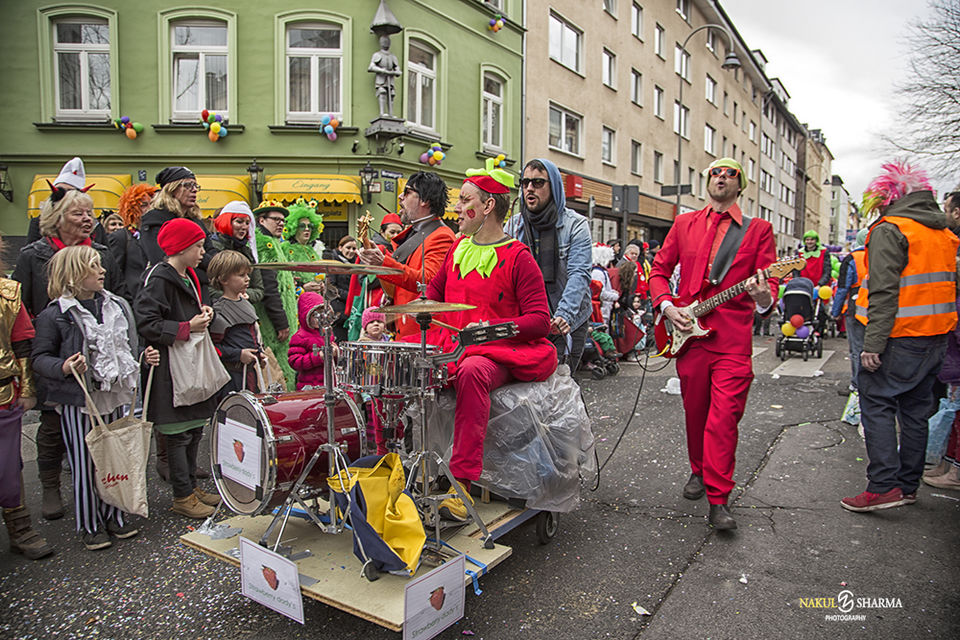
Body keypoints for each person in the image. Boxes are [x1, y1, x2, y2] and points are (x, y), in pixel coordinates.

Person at [649, 157, 778, 531]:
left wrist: (762, 297)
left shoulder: (758, 230)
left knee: (724, 420)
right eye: (715, 173)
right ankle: (698, 470)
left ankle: (719, 499)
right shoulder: (685, 223)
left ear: (741, 184)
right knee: (697, 414)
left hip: (733, 340)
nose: (721, 178)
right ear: (707, 181)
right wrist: (667, 305)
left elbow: (768, 295)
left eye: (730, 174)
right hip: (690, 336)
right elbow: (658, 270)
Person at [425, 168, 557, 521]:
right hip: (450, 344)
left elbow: (540, 320)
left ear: (488, 206)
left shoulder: (519, 257)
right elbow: (431, 297)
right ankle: (391, 467)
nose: (456, 208)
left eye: (465, 200)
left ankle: (461, 486)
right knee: (394, 363)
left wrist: (493, 329)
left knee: (471, 372)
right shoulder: (456, 248)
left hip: (493, 353)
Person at [842, 162, 959, 512]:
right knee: (914, 413)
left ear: (888, 198)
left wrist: (872, 345)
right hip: (934, 339)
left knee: (876, 406)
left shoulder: (892, 229)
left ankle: (881, 487)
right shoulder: (943, 232)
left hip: (896, 339)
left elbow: (883, 292)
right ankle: (907, 485)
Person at [32, 246, 159, 549]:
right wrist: (64, 366)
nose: (102, 271)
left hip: (115, 394)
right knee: (86, 462)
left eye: (100, 265)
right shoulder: (56, 314)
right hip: (81, 401)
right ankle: (90, 524)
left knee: (114, 457)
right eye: (93, 267)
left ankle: (115, 516)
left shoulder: (117, 305)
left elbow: (124, 346)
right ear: (74, 276)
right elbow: (39, 357)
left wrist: (142, 356)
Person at [12, 187, 124, 521]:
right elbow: (21, 302)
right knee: (51, 423)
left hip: (96, 352)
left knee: (100, 426)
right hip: (53, 346)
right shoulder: (35, 254)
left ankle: (102, 490)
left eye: (91, 213)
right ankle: (50, 486)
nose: (87, 219)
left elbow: (115, 294)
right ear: (56, 218)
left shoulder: (101, 251)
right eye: (78, 213)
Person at [135, 219, 222, 519]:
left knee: (194, 428)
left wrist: (204, 313)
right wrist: (187, 327)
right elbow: (146, 322)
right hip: (172, 368)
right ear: (180, 247)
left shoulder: (189, 277)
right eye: (197, 246)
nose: (202, 252)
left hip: (190, 365)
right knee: (177, 434)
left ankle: (189, 488)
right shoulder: (160, 279)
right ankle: (182, 495)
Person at [506, 158, 592, 372]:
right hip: (528, 320)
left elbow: (579, 274)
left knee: (561, 390)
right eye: (525, 183)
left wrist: (565, 315)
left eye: (538, 183)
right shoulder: (514, 225)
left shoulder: (576, 224)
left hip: (566, 320)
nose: (529, 189)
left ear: (553, 186)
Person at [0, 238, 53, 560]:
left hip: (4, 394)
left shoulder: (8, 294)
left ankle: (19, 528)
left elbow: (22, 343)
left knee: (7, 466)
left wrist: (30, 390)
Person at [358, 171, 456, 339]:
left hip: (423, 335)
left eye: (408, 192)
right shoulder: (415, 233)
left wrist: (384, 263)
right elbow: (395, 289)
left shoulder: (441, 236)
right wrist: (378, 261)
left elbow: (429, 282)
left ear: (425, 200)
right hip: (405, 333)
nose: (400, 197)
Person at [139, 167, 218, 299]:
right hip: (171, 291)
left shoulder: (196, 221)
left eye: (195, 186)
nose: (193, 190)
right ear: (171, 190)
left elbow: (210, 250)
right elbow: (162, 259)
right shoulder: (155, 220)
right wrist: (205, 271)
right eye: (187, 185)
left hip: (200, 290)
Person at [208, 250, 266, 393]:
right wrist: (238, 354)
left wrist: (259, 353)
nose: (247, 279)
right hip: (230, 378)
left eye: (247, 275)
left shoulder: (247, 304)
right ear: (223, 279)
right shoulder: (219, 310)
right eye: (241, 275)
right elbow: (213, 348)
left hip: (250, 375)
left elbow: (252, 337)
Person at [252, 200, 295, 389]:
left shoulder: (275, 242)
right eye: (276, 219)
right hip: (272, 322)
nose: (281, 224)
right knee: (277, 365)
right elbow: (269, 287)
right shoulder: (264, 243)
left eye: (283, 221)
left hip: (281, 316)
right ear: (262, 220)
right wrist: (281, 322)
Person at [26, 157, 107, 246]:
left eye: (70, 192)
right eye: (60, 191)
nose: (65, 197)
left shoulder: (95, 227)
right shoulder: (39, 223)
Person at [832, 228, 869, 395]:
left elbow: (842, 287)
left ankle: (857, 385)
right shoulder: (880, 254)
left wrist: (836, 311)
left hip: (857, 307)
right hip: (879, 305)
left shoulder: (853, 258)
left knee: (857, 348)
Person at [107, 183, 156, 306]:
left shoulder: (156, 235)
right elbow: (115, 275)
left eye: (152, 204)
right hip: (133, 301)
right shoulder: (121, 237)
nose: (149, 209)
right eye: (144, 205)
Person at [210, 202, 264, 304]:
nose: (244, 227)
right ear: (227, 222)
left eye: (247, 223)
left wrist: (245, 295)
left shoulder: (248, 252)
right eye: (239, 222)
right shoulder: (212, 248)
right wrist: (230, 295)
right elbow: (208, 287)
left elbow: (259, 289)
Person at [288, 291, 335, 391]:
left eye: (324, 314)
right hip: (309, 386)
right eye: (315, 315)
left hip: (328, 383)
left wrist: (335, 352)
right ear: (307, 317)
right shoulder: (300, 337)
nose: (321, 318)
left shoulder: (327, 332)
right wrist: (318, 357)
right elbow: (295, 361)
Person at [281, 199, 325, 294]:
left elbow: (319, 272)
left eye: (310, 226)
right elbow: (282, 278)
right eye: (302, 226)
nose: (307, 229)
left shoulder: (311, 250)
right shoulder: (285, 248)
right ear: (294, 227)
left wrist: (321, 284)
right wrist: (303, 287)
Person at [328, 235, 358, 342]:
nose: (351, 251)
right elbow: (331, 287)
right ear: (340, 248)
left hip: (352, 309)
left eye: (354, 248)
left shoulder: (356, 264)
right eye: (348, 248)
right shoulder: (333, 264)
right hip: (339, 310)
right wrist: (351, 296)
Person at [368, 34, 401, 117]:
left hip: (390, 78)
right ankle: (382, 112)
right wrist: (382, 70)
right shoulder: (377, 55)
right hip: (381, 78)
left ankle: (391, 113)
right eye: (384, 41)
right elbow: (371, 67)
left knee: (391, 94)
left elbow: (397, 68)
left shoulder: (392, 56)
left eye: (387, 41)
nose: (386, 43)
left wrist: (396, 72)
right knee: (382, 92)